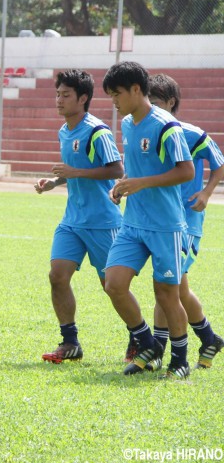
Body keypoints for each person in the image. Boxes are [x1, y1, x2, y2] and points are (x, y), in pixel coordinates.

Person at [102, 61, 195, 379]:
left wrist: (140, 183)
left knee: (166, 294)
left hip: (165, 225)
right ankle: (147, 342)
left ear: (136, 90)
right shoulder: (128, 124)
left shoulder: (166, 125)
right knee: (113, 283)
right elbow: (138, 169)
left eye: (117, 94)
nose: (114, 101)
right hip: (133, 223)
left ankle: (180, 360)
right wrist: (124, 183)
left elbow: (187, 171)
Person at [36, 69, 123, 364]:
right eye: (57, 94)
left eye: (66, 95)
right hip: (72, 220)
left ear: (83, 98)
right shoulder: (64, 131)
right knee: (57, 276)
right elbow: (72, 171)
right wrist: (55, 182)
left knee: (113, 286)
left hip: (102, 221)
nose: (59, 100)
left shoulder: (98, 131)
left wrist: (74, 173)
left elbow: (116, 170)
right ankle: (70, 341)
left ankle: (141, 338)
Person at [140, 73, 224, 370]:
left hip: (187, 221)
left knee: (168, 286)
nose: (150, 107)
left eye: (157, 102)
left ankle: (158, 350)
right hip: (162, 220)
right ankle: (210, 338)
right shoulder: (146, 130)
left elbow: (219, 162)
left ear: (171, 103)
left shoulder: (190, 133)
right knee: (177, 288)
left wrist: (206, 192)